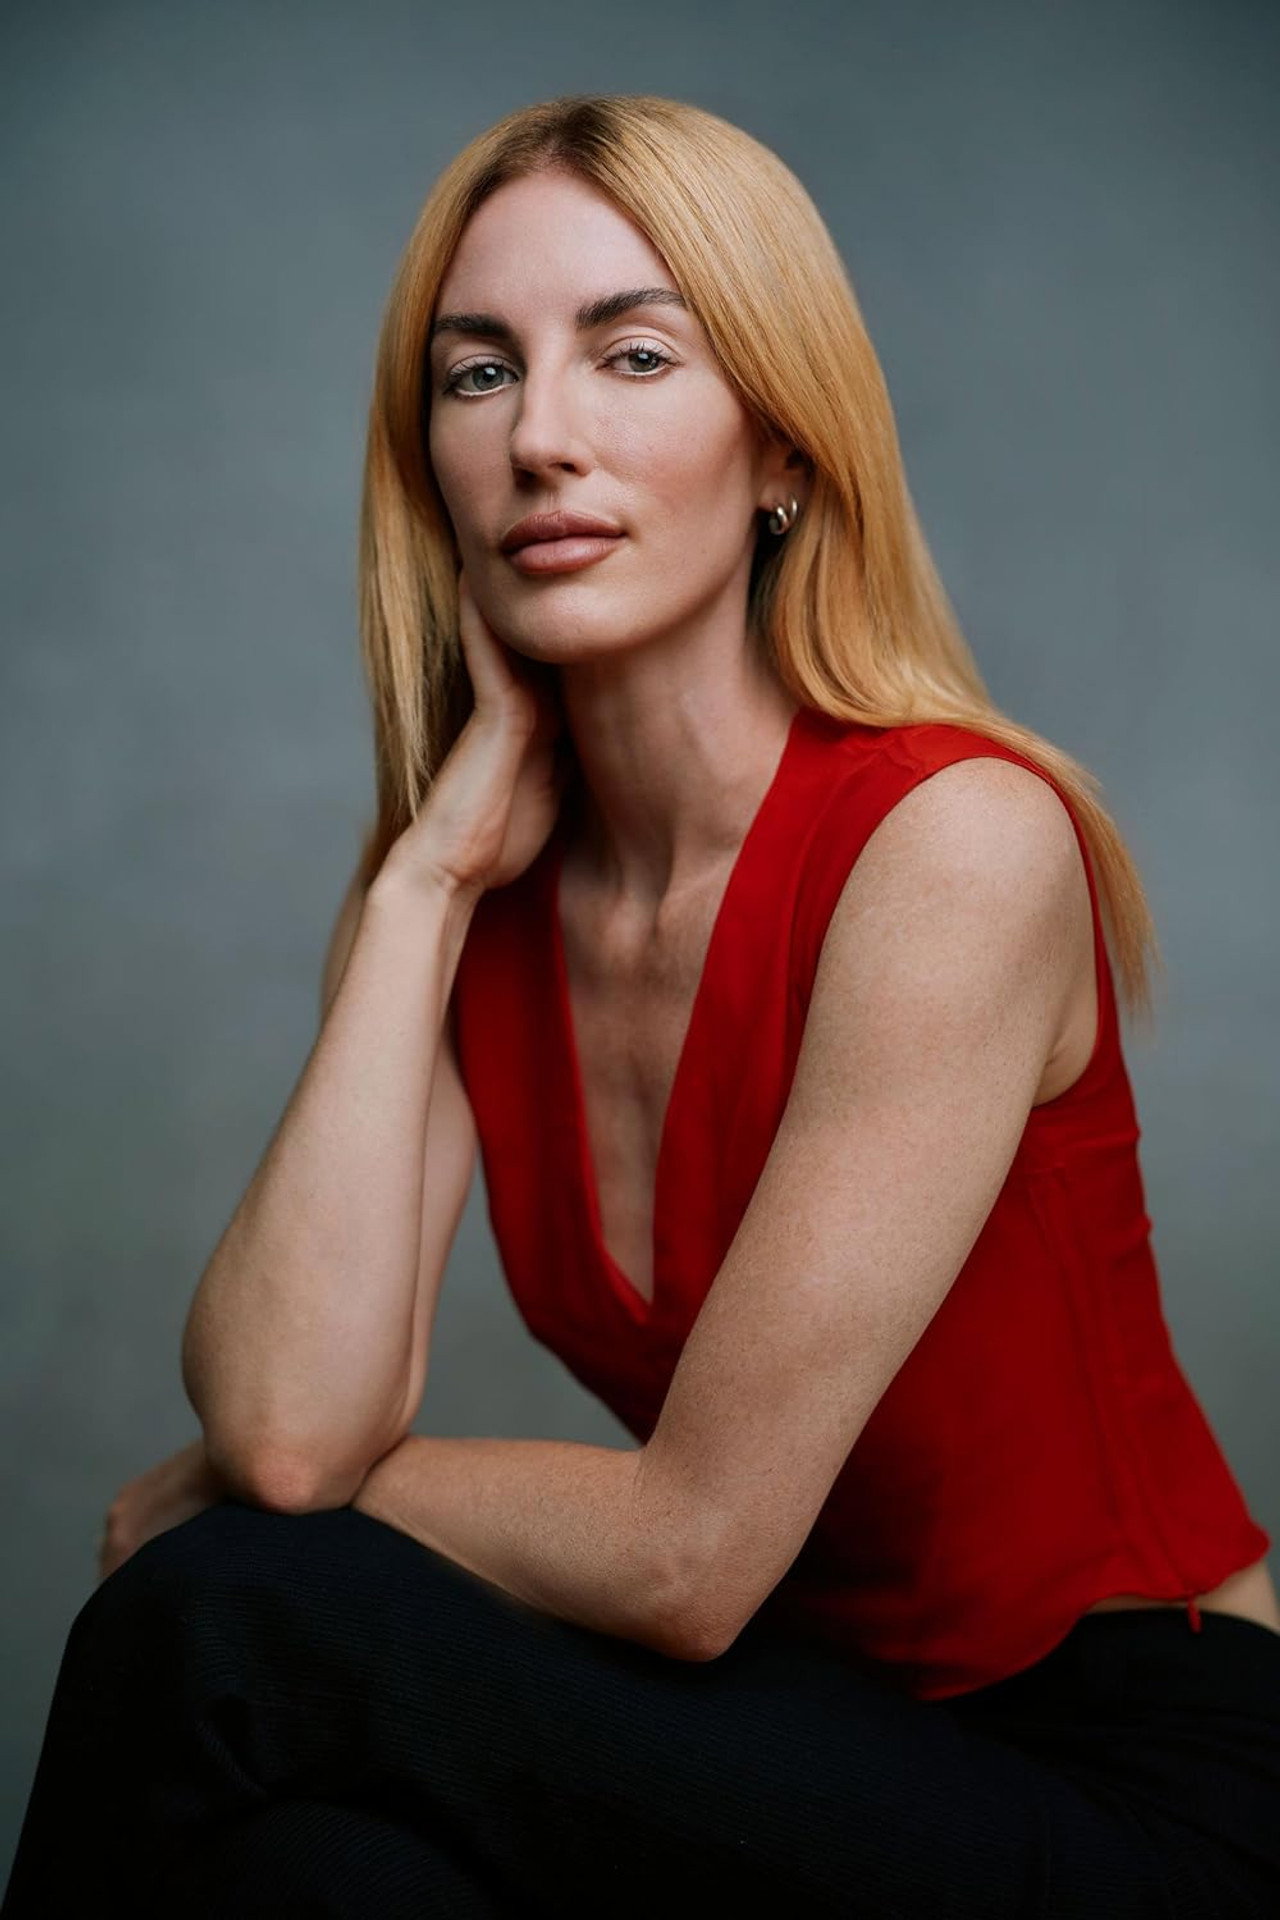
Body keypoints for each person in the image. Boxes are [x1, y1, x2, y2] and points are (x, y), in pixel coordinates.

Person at [5, 91, 1279, 1919]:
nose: (542, 436)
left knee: (229, 1607)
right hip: (798, 1742)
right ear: (431, 468)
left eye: (633, 355)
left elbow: (687, 1555)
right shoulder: (466, 906)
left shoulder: (951, 845)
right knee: (319, 1875)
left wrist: (251, 1496)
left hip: (1129, 1788)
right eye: (479, 374)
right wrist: (426, 883)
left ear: (782, 449)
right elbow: (292, 1420)